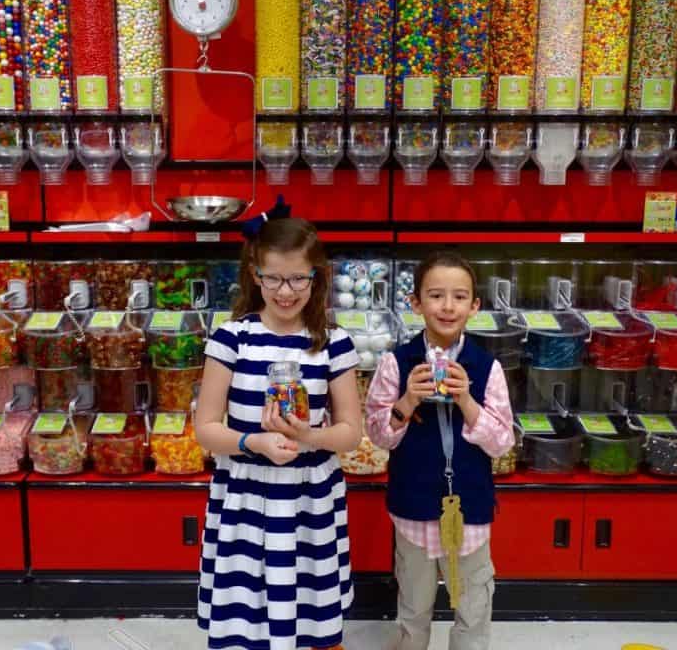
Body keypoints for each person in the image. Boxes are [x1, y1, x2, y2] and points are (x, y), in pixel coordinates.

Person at [195, 215, 362, 650]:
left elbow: (349, 433)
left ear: (316, 277)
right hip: (246, 495)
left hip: (309, 497)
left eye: (297, 279)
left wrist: (309, 436)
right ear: (255, 275)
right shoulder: (231, 339)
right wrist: (254, 442)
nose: (285, 292)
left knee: (309, 605)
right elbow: (206, 429)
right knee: (245, 610)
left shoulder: (334, 344)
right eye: (273, 279)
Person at [365, 252, 515, 650]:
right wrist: (406, 403)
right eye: (435, 295)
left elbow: (502, 442)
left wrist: (467, 400)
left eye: (459, 297)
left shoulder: (487, 367)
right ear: (415, 303)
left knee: (473, 610)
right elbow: (378, 436)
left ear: (474, 306)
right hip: (412, 509)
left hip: (470, 510)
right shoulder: (395, 364)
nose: (447, 306)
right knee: (413, 609)